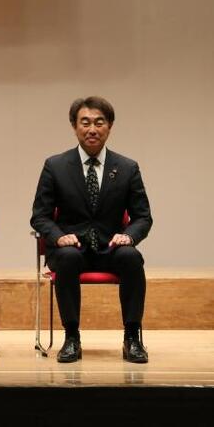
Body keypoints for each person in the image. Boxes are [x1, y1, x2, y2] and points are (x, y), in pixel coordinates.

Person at [31, 96, 152, 363]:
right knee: (69, 259)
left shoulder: (127, 168)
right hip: (70, 247)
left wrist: (129, 235)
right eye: (85, 122)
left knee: (131, 258)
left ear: (109, 126)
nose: (92, 129)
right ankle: (71, 337)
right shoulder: (56, 166)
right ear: (74, 126)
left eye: (99, 122)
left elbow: (143, 217)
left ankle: (132, 338)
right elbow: (39, 216)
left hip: (111, 247)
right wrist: (58, 237)